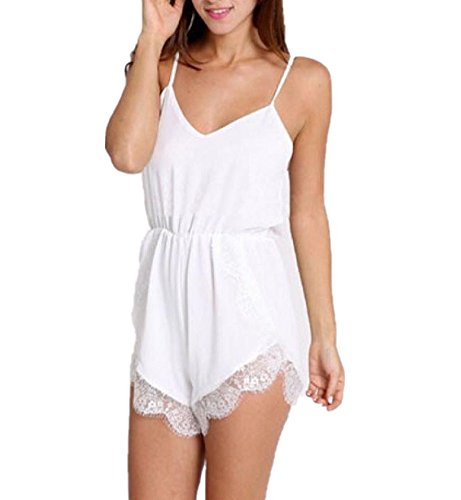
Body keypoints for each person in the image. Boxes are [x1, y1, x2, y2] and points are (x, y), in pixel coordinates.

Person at [105, 0, 345, 497]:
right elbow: (126, 155)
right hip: (164, 331)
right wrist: (151, 38)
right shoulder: (162, 68)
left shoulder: (303, 83)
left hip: (251, 331)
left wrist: (325, 338)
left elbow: (308, 213)